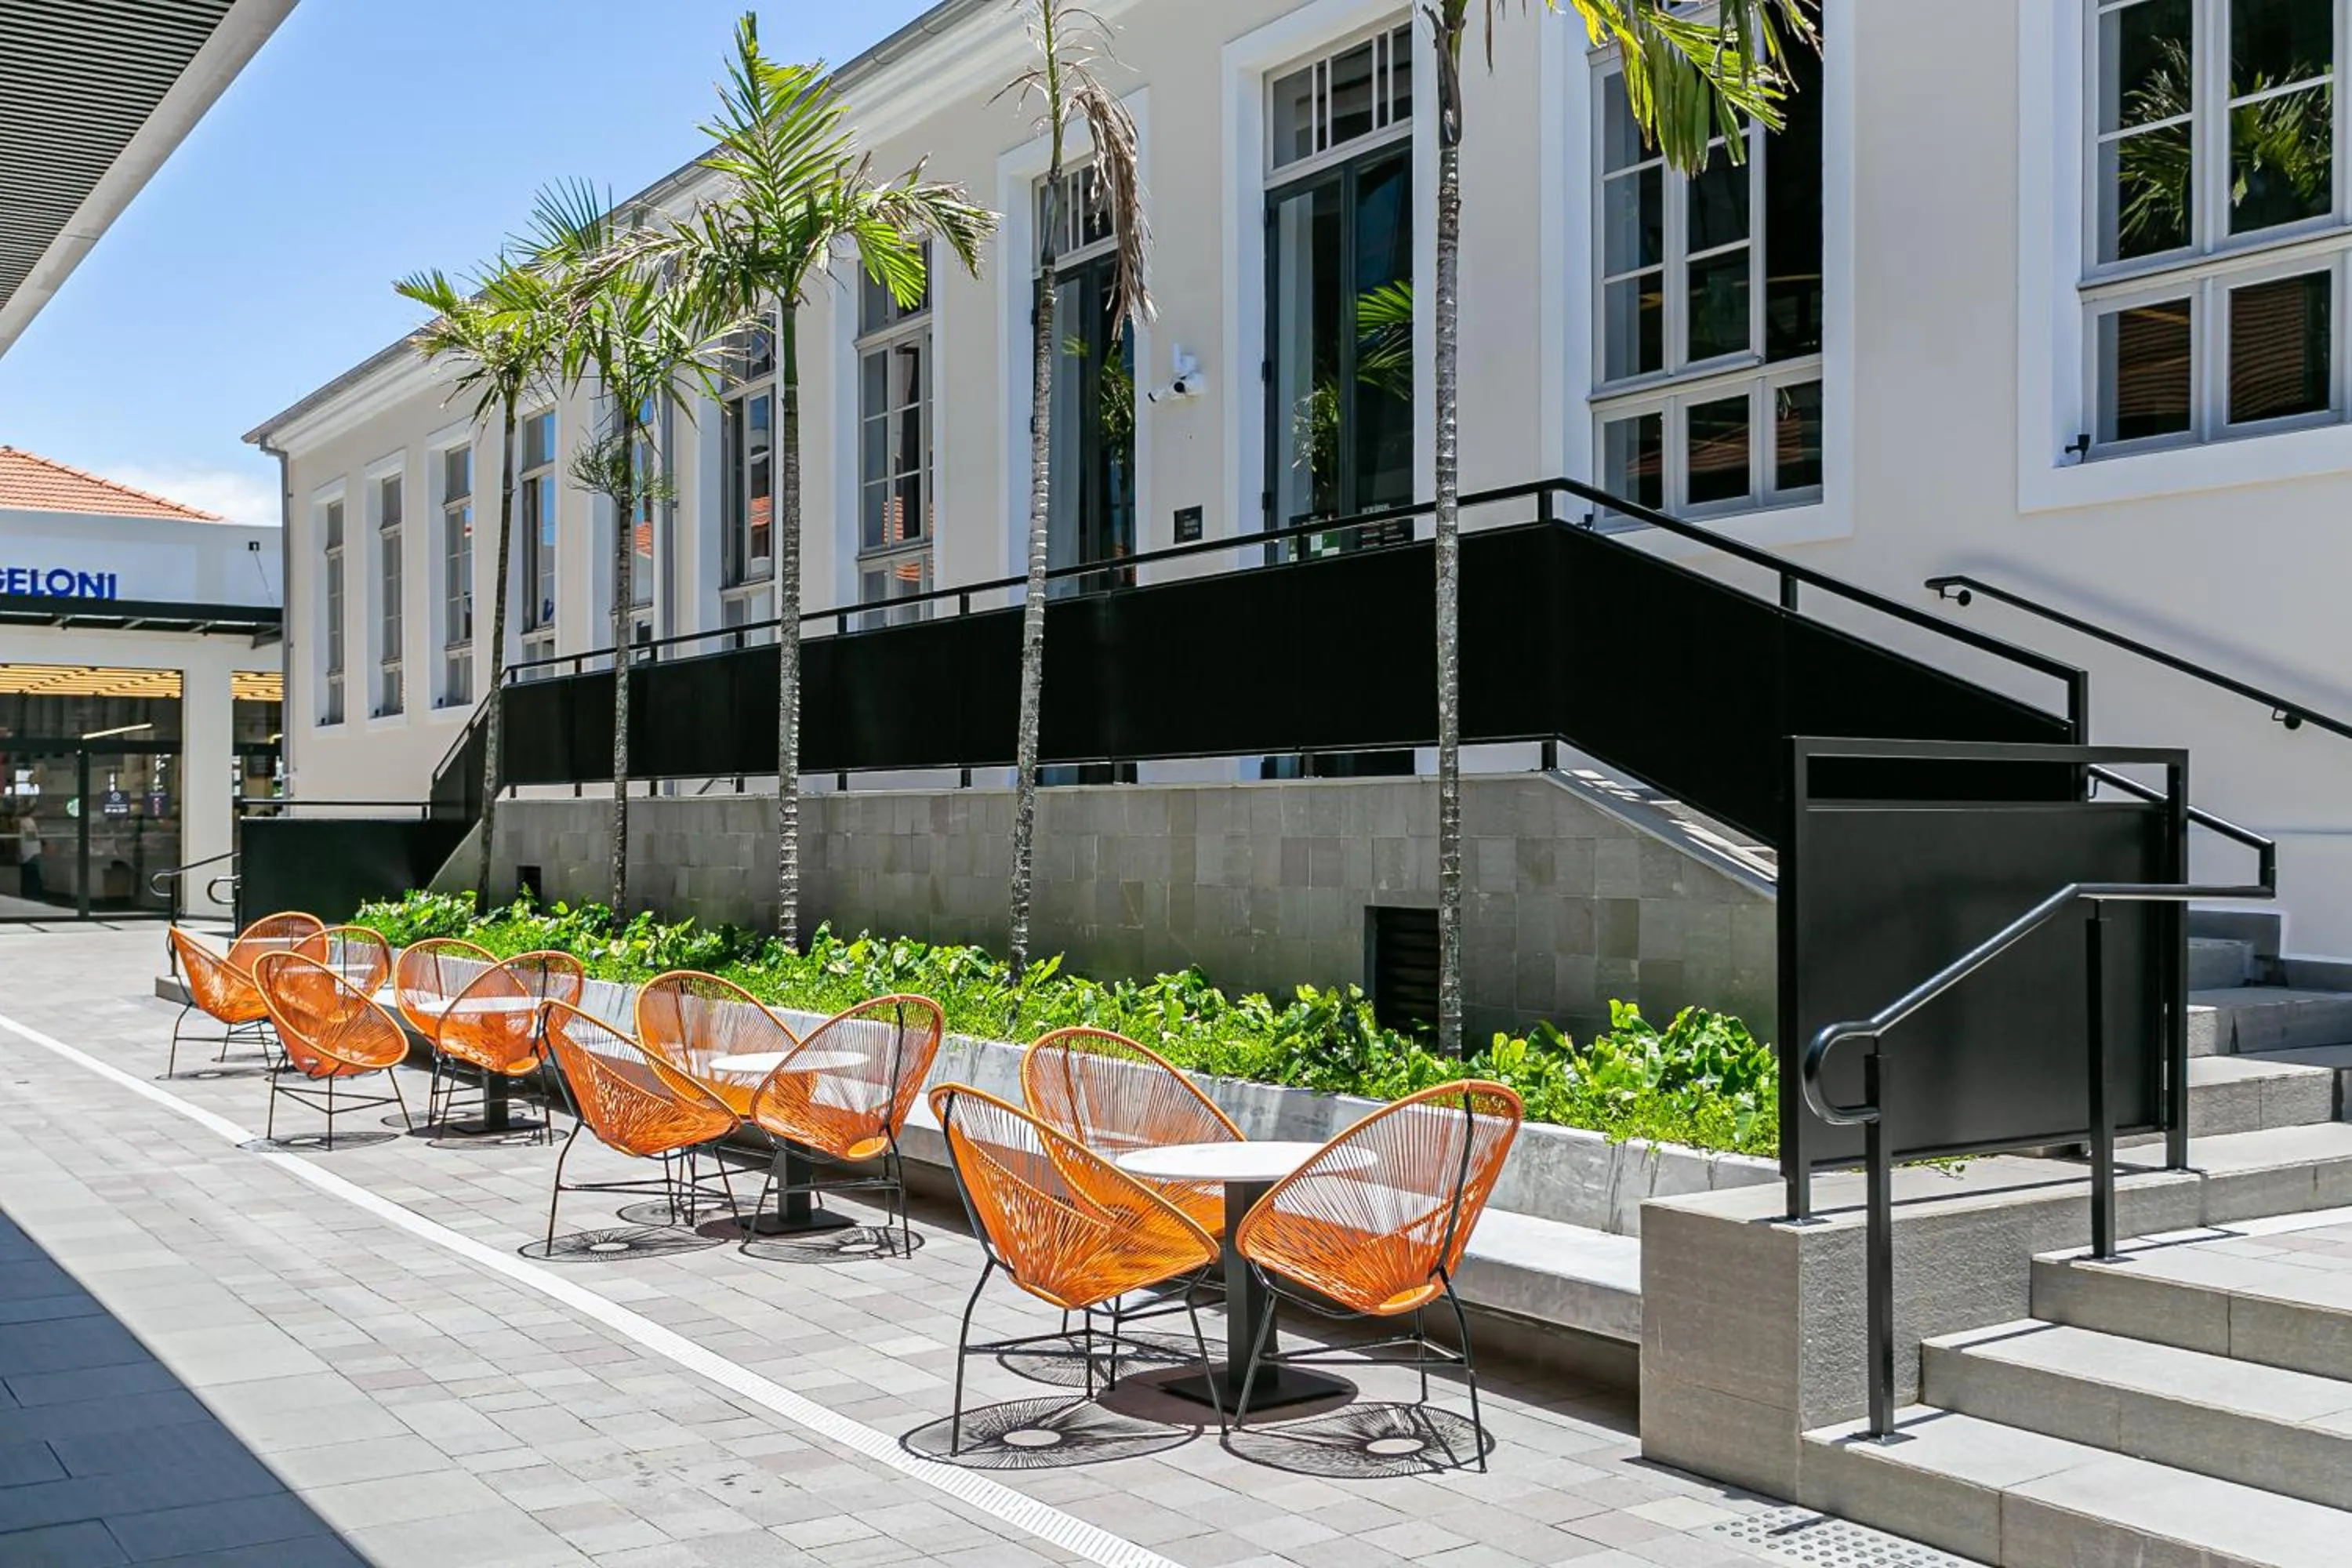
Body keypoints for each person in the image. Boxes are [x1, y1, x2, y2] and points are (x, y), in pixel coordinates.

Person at [16, 815, 42, 904]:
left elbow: (31, 840)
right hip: (31, 854)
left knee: (30, 877)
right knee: (31, 876)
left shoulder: (26, 822)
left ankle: (31, 896)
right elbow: (31, 840)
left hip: (30, 854)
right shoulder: (27, 822)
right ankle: (32, 896)